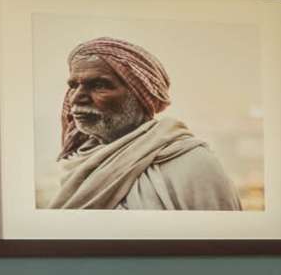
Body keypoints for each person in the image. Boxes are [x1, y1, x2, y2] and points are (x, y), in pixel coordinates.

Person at [38, 35, 240, 211]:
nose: (76, 98)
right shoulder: (80, 161)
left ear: (140, 95)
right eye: (74, 86)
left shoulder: (194, 165)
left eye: (99, 85)